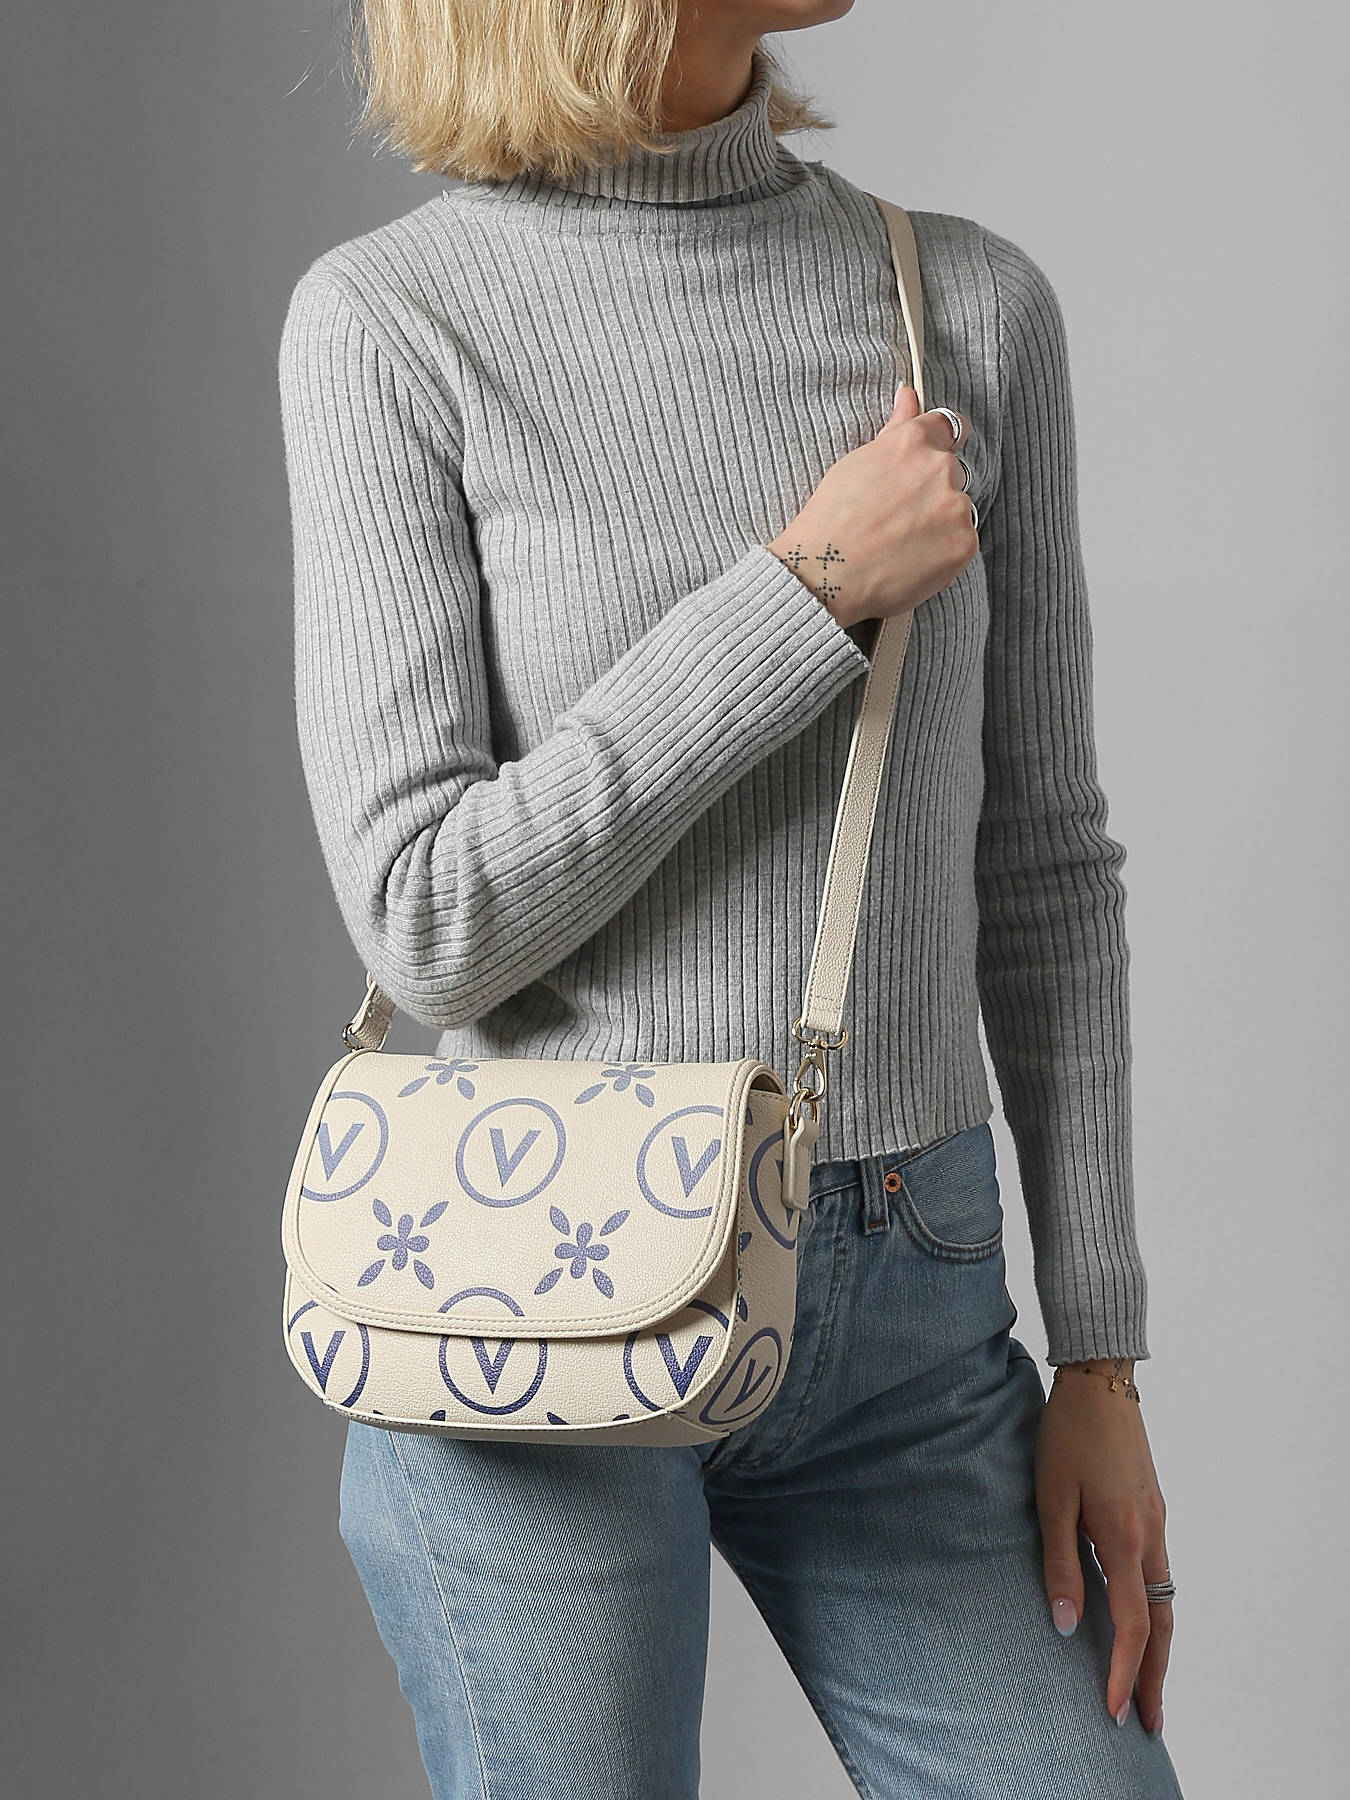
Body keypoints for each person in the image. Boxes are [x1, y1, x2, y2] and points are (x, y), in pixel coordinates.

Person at [277, 2, 1184, 1794]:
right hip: (535, 1296)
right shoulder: (392, 322)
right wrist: (805, 590)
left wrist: (1099, 1357)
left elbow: (1043, 865)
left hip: (908, 1293)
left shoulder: (964, 307)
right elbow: (428, 915)